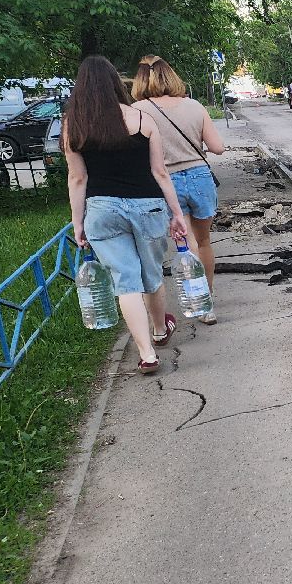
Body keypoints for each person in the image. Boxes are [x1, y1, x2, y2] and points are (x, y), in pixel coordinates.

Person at [65, 56, 189, 374]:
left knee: (125, 281)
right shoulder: (140, 119)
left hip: (102, 210)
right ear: (115, 84)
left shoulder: (73, 125)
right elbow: (160, 172)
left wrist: (78, 223)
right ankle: (160, 330)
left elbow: (78, 179)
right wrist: (177, 215)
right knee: (151, 274)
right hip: (147, 205)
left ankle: (147, 353)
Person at [131, 55, 226, 323]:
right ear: (170, 75)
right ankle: (207, 300)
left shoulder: (139, 111)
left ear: (139, 79)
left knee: (185, 244)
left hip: (165, 181)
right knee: (204, 241)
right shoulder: (194, 106)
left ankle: (199, 303)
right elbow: (218, 147)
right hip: (200, 176)